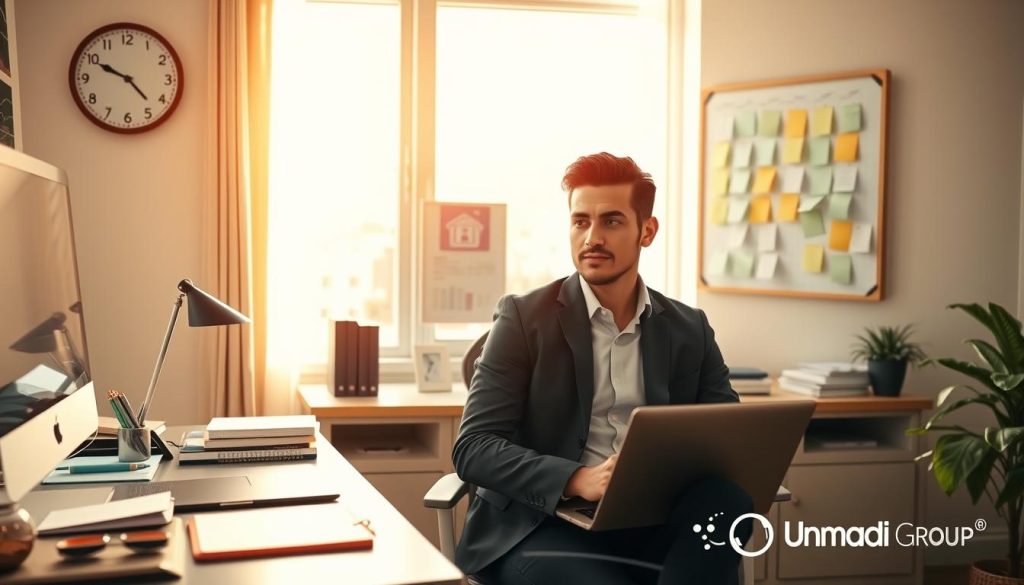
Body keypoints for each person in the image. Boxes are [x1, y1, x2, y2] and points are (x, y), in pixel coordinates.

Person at [452, 153, 753, 584]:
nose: (592, 237)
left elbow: (727, 439)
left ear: (646, 231)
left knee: (729, 502)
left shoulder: (690, 328)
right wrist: (578, 479)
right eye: (580, 222)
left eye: (611, 221)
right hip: (542, 525)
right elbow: (474, 447)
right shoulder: (522, 318)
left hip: (653, 518)